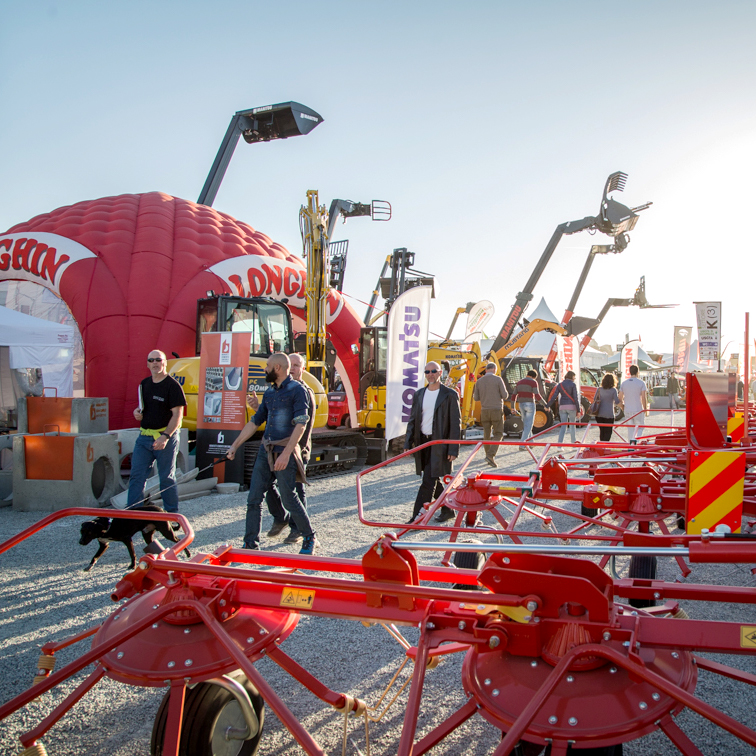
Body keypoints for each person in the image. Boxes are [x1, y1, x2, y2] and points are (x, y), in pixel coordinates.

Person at [226, 353, 318, 554]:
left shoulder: (298, 391)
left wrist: (286, 454)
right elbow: (255, 422)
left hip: (285, 451)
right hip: (265, 450)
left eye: (267, 366)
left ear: (277, 368)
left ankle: (309, 536)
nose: (264, 370)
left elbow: (301, 424)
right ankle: (250, 543)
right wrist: (235, 445)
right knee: (254, 498)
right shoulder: (269, 393)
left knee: (289, 498)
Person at [256, 353, 315, 544]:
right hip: (278, 449)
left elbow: (304, 425)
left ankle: (298, 530)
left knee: (295, 492)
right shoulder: (276, 390)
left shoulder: (304, 391)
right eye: (293, 364)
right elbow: (276, 417)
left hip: (296, 449)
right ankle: (280, 517)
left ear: (302, 369)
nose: (295, 368)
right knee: (268, 485)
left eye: (298, 365)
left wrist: (296, 450)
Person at [128, 350, 186, 514]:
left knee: (166, 478)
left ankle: (172, 516)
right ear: (147, 364)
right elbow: (142, 408)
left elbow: (177, 416)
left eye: (158, 360)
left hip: (164, 437)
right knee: (136, 477)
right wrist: (137, 413)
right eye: (151, 360)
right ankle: (133, 517)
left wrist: (165, 436)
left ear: (165, 362)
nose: (155, 363)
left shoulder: (173, 386)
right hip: (144, 437)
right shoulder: (144, 384)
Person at [405, 360, 461, 523]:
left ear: (440, 373)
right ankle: (448, 509)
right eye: (427, 372)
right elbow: (413, 419)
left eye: (433, 371)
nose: (430, 374)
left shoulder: (449, 395)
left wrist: (453, 449)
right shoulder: (419, 394)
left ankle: (417, 516)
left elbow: (455, 423)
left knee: (427, 481)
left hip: (439, 444)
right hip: (423, 442)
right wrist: (408, 443)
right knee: (433, 477)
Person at [473, 361, 509, 467]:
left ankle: (488, 456)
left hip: (484, 410)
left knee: (486, 434)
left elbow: (476, 398)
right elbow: (505, 395)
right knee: (498, 433)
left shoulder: (479, 381)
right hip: (496, 409)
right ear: (494, 369)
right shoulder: (498, 379)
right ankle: (490, 455)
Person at [511, 370, 545, 448]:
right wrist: (545, 405)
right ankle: (522, 445)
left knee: (526, 424)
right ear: (534, 377)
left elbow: (514, 395)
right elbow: (537, 395)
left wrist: (512, 407)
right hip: (530, 404)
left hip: (521, 404)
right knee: (529, 425)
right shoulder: (533, 382)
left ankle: (531, 442)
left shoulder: (519, 382)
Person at [547, 370, 580, 444]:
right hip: (571, 407)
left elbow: (554, 397)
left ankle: (559, 445)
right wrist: (578, 410)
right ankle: (573, 443)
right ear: (572, 377)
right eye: (574, 377)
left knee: (563, 426)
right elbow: (575, 398)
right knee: (572, 426)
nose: (574, 379)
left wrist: (547, 405)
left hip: (562, 407)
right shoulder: (573, 385)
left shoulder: (560, 385)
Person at [618, 365, 648, 442]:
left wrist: (623, 407)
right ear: (638, 372)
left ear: (629, 372)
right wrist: (645, 409)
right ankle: (636, 443)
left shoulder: (624, 383)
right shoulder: (641, 383)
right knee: (640, 427)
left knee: (630, 429)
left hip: (627, 409)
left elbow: (620, 398)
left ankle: (631, 446)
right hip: (638, 409)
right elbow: (643, 398)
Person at [594, 373, 620, 442]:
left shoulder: (599, 389)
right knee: (608, 432)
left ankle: (601, 446)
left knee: (602, 431)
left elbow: (594, 399)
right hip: (609, 414)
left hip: (599, 414)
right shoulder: (613, 390)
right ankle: (604, 446)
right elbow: (617, 402)